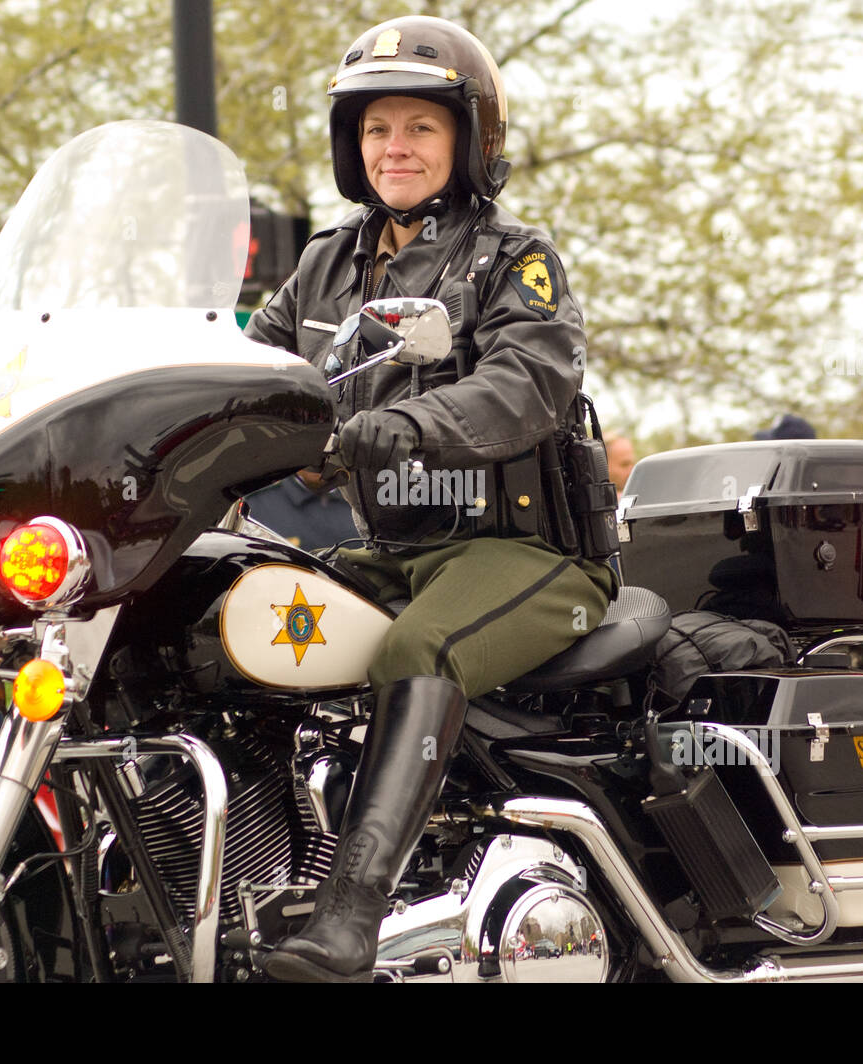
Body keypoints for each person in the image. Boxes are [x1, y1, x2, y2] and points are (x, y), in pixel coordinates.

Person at [243, 14, 617, 982]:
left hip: (526, 553)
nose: (394, 147)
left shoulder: (510, 256)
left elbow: (526, 384)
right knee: (215, 620)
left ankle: (348, 915)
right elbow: (247, 373)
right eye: (375, 129)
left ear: (467, 140)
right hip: (393, 549)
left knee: (420, 648)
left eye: (418, 127)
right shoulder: (325, 263)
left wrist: (400, 427)